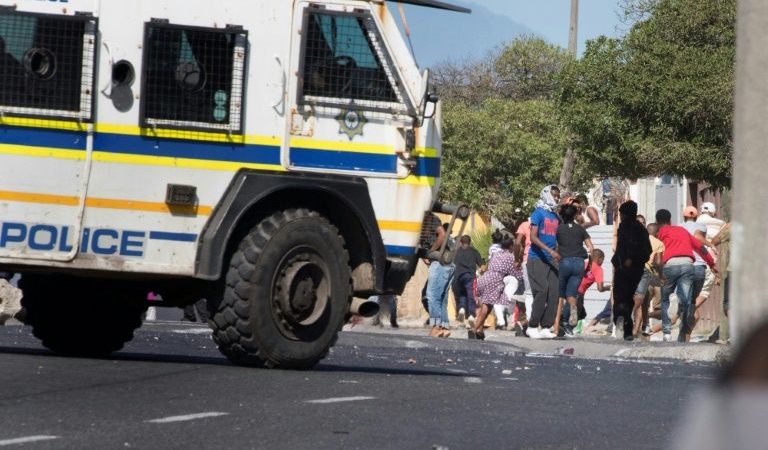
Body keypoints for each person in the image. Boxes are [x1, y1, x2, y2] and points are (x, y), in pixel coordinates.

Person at [656, 209, 717, 342]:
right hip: (687, 265)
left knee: (665, 298)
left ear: (657, 222)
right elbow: (700, 247)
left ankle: (666, 332)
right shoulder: (682, 231)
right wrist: (711, 263)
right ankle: (684, 330)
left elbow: (656, 250)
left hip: (670, 266)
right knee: (687, 300)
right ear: (670, 220)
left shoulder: (660, 233)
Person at [612, 201, 652, 340]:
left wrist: (627, 259)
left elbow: (626, 245)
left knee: (620, 297)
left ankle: (620, 321)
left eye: (621, 214)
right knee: (629, 298)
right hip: (638, 270)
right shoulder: (642, 229)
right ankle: (627, 330)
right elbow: (648, 250)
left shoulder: (625, 227)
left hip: (624, 267)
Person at [470, 238, 524, 340]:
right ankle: (474, 329)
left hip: (484, 278)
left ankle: (480, 331)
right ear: (511, 247)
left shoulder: (496, 255)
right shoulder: (510, 257)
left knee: (488, 305)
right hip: (494, 281)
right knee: (486, 306)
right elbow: (517, 274)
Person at [526, 185, 561, 339]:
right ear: (547, 195)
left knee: (554, 292)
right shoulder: (538, 213)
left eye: (558, 195)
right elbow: (533, 237)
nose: (557, 198)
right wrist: (550, 250)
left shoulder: (555, 216)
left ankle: (546, 326)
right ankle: (532, 326)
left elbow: (558, 237)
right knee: (542, 290)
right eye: (555, 195)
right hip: (536, 258)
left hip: (552, 261)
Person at [554, 204, 594, 336]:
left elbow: (555, 246)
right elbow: (591, 248)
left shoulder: (558, 229)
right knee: (571, 294)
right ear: (574, 215)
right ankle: (570, 314)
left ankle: (557, 322)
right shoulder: (580, 229)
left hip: (564, 261)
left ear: (562, 215)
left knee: (560, 294)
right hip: (579, 263)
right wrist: (590, 264)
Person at [425, 223, 455, 338]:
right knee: (442, 298)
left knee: (432, 296)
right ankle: (444, 327)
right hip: (448, 264)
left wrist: (429, 253)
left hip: (439, 263)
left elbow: (442, 235)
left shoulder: (429, 222)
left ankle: (436, 327)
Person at [451, 235, 484, 323]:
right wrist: (481, 270)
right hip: (470, 276)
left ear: (461, 242)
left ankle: (462, 308)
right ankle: (471, 315)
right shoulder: (474, 252)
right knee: (471, 295)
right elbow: (482, 266)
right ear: (470, 242)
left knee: (462, 294)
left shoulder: (455, 252)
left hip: (458, 277)